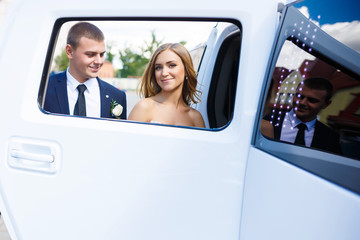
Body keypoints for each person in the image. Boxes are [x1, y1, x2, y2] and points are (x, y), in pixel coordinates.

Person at [44, 22, 127, 119]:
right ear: (69, 51)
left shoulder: (117, 96)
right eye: (90, 54)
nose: (99, 61)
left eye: (101, 54)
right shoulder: (44, 88)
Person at [128, 43, 205, 128]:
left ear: (186, 70)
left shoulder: (195, 118)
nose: (164, 73)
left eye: (172, 65)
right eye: (158, 67)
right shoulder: (144, 107)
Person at [262, 77, 342, 154]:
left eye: (312, 100)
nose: (302, 103)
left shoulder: (330, 137)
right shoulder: (267, 121)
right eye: (300, 96)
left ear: (326, 104)